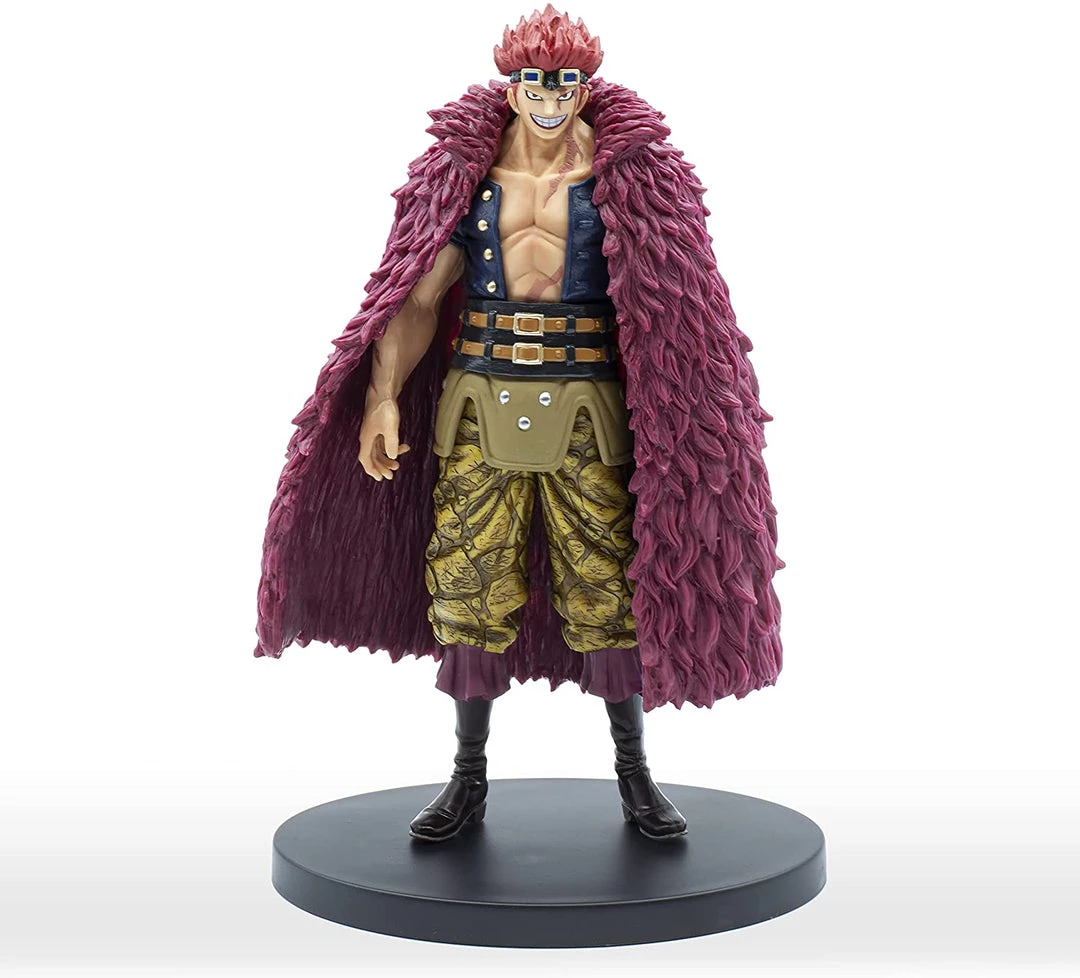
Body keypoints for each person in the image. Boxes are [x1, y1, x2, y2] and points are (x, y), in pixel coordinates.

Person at [256, 5, 783, 844]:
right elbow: (416, 295)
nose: (549, 97)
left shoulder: (632, 178)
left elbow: (683, 312)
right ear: (510, 86)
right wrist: (384, 395)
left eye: (566, 82)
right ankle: (467, 780)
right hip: (480, 401)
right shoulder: (465, 178)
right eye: (535, 81)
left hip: (588, 411)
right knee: (467, 583)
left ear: (586, 85)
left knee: (607, 589)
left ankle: (635, 775)